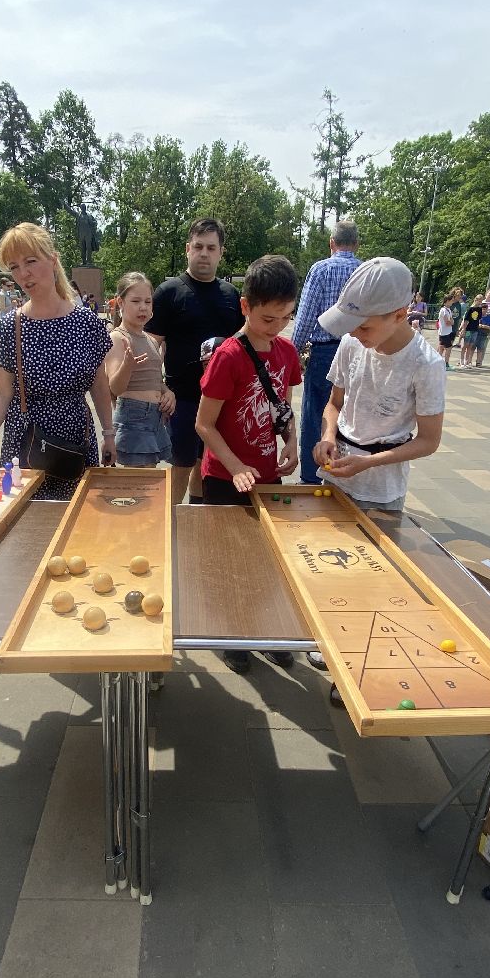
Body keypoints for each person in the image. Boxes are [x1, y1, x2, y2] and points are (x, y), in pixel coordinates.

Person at [0, 223, 115, 501]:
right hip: (24, 441)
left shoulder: (87, 323)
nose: (23, 273)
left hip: (76, 438)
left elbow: (99, 385)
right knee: (26, 526)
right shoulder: (10, 326)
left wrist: (109, 433)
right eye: (14, 267)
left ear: (53, 260)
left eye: (30, 261)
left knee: (76, 523)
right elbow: (1, 392)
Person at [195, 254, 302, 673]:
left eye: (285, 318)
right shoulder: (228, 356)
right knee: (229, 561)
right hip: (224, 476)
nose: (276, 328)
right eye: (267, 319)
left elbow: (283, 409)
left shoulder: (287, 351)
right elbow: (204, 425)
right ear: (245, 307)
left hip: (268, 473)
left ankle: (267, 629)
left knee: (267, 558)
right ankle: (232, 633)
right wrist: (236, 465)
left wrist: (290, 442)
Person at [312, 256, 446, 517]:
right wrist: (328, 436)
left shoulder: (426, 364)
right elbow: (334, 404)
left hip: (381, 493)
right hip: (336, 478)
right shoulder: (352, 344)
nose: (353, 333)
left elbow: (429, 441)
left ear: (399, 315)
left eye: (363, 327)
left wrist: (368, 462)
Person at [147, 218, 245, 504]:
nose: (204, 253)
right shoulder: (169, 292)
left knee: (206, 464)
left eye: (211, 248)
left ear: (220, 252)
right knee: (181, 463)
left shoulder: (230, 295)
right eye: (198, 247)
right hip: (182, 398)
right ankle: (173, 520)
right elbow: (153, 346)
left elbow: (240, 345)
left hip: (220, 400)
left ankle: (195, 517)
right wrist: (161, 387)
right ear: (188, 249)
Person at [291, 220, 361, 485]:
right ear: (356, 244)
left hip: (324, 352)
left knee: (315, 415)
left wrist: (294, 351)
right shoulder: (365, 270)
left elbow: (306, 315)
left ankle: (311, 477)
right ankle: (344, 474)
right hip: (360, 351)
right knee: (351, 415)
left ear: (332, 243)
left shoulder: (321, 269)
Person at [105, 271, 174, 468]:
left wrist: (167, 392)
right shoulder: (118, 338)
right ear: (120, 303)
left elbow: (154, 380)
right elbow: (115, 388)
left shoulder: (151, 340)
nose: (143, 307)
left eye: (147, 301)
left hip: (154, 416)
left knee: (150, 478)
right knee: (139, 483)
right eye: (135, 301)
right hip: (133, 415)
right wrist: (127, 365)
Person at [459, 294, 483, 368]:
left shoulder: (479, 309)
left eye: (481, 301)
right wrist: (464, 329)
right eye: (479, 300)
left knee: (470, 346)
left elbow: (479, 319)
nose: (480, 302)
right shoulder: (470, 309)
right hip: (468, 329)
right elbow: (466, 320)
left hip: (475, 329)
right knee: (465, 345)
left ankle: (467, 361)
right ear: (475, 300)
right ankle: (461, 361)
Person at [435, 291, 457, 365]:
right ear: (447, 301)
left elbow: (452, 320)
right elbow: (447, 322)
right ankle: (445, 363)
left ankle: (439, 363)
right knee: (448, 348)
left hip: (448, 331)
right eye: (451, 300)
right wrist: (451, 321)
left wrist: (451, 321)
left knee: (441, 347)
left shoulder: (449, 310)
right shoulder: (443, 310)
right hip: (444, 332)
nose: (452, 302)